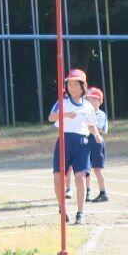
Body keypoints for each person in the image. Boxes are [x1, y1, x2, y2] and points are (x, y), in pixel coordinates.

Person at [48, 68, 102, 225]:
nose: (72, 88)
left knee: (80, 176)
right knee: (58, 176)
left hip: (82, 144)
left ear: (83, 86)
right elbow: (51, 117)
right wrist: (65, 115)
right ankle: (62, 207)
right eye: (69, 84)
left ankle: (80, 213)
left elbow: (91, 125)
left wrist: (96, 135)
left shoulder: (88, 106)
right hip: (64, 141)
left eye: (76, 84)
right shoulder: (62, 102)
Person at [85, 86, 109, 203]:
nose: (90, 102)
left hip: (96, 142)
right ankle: (87, 191)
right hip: (85, 141)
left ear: (100, 101)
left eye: (94, 99)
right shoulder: (85, 113)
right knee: (85, 169)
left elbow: (101, 129)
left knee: (97, 168)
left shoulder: (101, 114)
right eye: (88, 99)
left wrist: (88, 126)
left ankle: (103, 192)